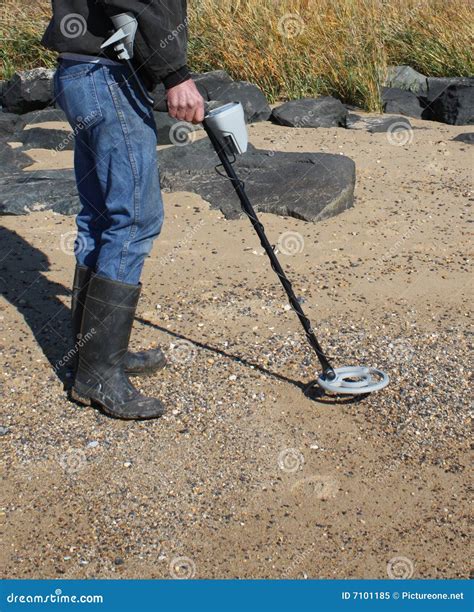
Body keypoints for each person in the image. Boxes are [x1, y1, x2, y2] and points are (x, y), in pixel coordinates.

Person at [42, 1, 205, 420]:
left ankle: (92, 355)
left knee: (99, 217)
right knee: (134, 219)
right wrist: (175, 75)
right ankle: (98, 374)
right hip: (104, 76)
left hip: (82, 71)